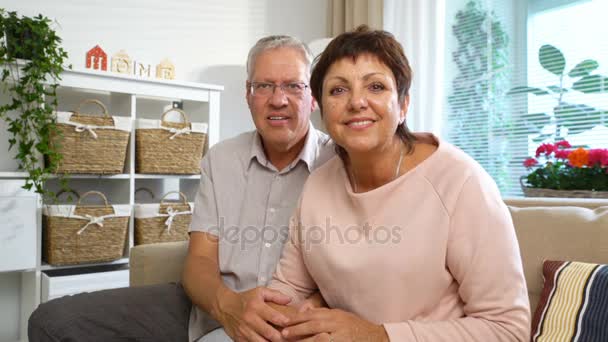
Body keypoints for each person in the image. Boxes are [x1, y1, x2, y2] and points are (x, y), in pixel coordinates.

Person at [28, 35, 334, 342]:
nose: (278, 99)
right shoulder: (221, 158)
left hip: (293, 319)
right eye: (264, 86)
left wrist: (310, 310)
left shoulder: (338, 161)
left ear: (314, 96)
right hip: (208, 306)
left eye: (294, 86)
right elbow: (199, 260)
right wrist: (229, 307)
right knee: (52, 322)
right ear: (248, 94)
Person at [267, 25, 531, 342]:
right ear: (322, 111)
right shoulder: (318, 185)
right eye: (338, 90)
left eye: (376, 87)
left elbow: (508, 330)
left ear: (403, 105)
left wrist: (378, 336)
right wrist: (268, 312)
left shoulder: (460, 182)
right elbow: (289, 291)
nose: (357, 102)